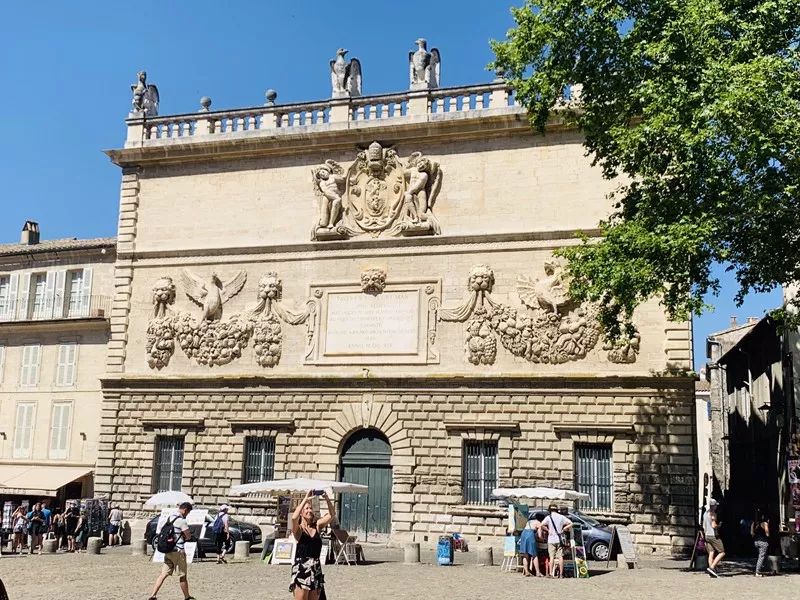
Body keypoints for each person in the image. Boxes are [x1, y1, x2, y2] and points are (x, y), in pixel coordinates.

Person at [289, 490, 335, 600]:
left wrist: (327, 499)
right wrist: (305, 499)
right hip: (302, 568)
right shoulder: (298, 530)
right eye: (306, 509)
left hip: (316, 568)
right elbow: (294, 518)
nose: (310, 511)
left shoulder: (317, 526)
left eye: (311, 508)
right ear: (301, 512)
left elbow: (332, 515)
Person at [147, 501, 196, 600]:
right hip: (178, 551)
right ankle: (187, 596)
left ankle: (153, 594)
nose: (187, 514)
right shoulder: (182, 521)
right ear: (185, 510)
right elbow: (188, 536)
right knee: (182, 575)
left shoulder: (170, 518)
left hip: (168, 549)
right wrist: (185, 536)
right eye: (188, 512)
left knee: (163, 574)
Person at [542, 503, 572, 578]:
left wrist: (548, 530)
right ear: (557, 510)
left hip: (551, 539)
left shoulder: (548, 517)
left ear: (550, 510)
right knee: (560, 557)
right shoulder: (561, 517)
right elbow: (571, 523)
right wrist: (564, 528)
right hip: (559, 539)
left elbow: (541, 525)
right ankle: (561, 574)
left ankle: (551, 573)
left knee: (551, 557)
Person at [703, 498, 725, 577]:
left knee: (711, 553)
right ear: (714, 506)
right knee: (722, 552)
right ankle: (712, 567)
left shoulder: (705, 513)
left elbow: (704, 525)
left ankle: (711, 571)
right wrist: (719, 525)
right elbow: (713, 525)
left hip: (707, 535)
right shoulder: (713, 514)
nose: (716, 507)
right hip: (713, 535)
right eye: (716, 505)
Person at [518, 512, 543, 577]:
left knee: (525, 554)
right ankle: (538, 572)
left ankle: (526, 571)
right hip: (530, 534)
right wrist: (542, 539)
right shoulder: (539, 523)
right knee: (534, 554)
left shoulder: (530, 521)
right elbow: (540, 536)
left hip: (524, 534)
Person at [751, 509, 770, 577]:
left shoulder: (755, 523)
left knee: (761, 556)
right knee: (761, 556)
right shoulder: (765, 523)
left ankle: (762, 568)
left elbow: (752, 533)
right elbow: (767, 533)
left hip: (756, 541)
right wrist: (768, 536)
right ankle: (757, 571)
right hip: (763, 541)